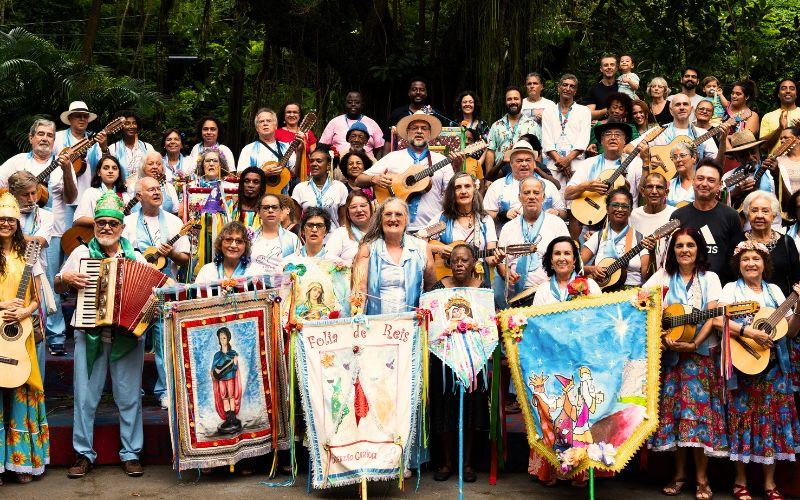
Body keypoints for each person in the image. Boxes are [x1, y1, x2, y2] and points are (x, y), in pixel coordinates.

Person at [57, 191, 149, 479]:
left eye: (112, 223)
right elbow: (58, 285)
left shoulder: (136, 258)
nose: (106, 228)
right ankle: (83, 454)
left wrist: (147, 314)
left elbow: (153, 294)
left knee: (129, 397)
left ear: (122, 227)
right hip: (90, 334)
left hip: (126, 337)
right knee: (85, 398)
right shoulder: (81, 253)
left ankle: (131, 453)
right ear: (94, 226)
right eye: (101, 223)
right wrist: (65, 278)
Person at [713, 241, 800, 500]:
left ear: (765, 264)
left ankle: (770, 484)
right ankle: (740, 482)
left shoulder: (774, 291)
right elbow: (718, 320)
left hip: (774, 368)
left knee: (772, 423)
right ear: (738, 265)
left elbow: (791, 331)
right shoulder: (730, 290)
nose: (751, 263)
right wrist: (749, 331)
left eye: (757, 259)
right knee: (742, 421)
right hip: (745, 365)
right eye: (745, 259)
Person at [645, 228, 726, 500]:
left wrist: (693, 343)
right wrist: (661, 334)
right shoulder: (663, 277)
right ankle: (679, 476)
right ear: (672, 250)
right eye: (679, 245)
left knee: (699, 418)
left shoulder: (710, 278)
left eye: (690, 245)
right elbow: (642, 303)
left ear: (699, 249)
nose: (685, 250)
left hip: (700, 357)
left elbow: (713, 315)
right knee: (677, 418)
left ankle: (702, 480)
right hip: (671, 358)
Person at [0, 119, 77, 357]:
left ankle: (52, 335)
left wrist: (65, 169)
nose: (45, 138)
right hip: (14, 228)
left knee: (47, 284)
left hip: (52, 228)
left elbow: (72, 195)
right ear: (31, 137)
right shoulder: (17, 161)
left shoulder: (62, 163)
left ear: (55, 141)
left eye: (50, 135)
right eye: (40, 134)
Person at [528, 236, 600, 486]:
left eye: (567, 253)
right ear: (549, 259)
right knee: (553, 416)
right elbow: (536, 327)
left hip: (580, 363)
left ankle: (579, 469)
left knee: (578, 419)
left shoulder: (590, 285)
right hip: (551, 363)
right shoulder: (542, 290)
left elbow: (597, 321)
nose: (562, 258)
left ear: (575, 258)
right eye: (556, 253)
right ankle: (552, 468)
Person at [123, 175, 190, 408]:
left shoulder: (173, 221)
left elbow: (185, 260)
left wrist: (170, 253)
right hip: (136, 288)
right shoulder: (128, 222)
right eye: (150, 189)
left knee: (164, 340)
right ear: (139, 196)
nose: (156, 192)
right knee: (134, 339)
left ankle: (165, 390)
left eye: (158, 188)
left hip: (165, 289)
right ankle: (132, 390)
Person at [0, 192, 48, 486]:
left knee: (21, 394)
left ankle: (22, 463)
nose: (5, 223)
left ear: (18, 223)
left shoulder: (27, 254)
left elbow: (37, 297)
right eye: (1, 218)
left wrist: (24, 311)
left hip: (20, 332)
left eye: (10, 219)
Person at [429, 243, 488, 484]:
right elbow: (432, 322)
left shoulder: (483, 290)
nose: (459, 264)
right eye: (455, 260)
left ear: (474, 263)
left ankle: (467, 463)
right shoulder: (437, 289)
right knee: (444, 408)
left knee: (471, 410)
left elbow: (488, 325)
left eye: (465, 260)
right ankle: (446, 462)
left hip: (473, 361)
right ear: (449, 264)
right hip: (444, 360)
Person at [357, 110, 463, 232]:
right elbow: (359, 180)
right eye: (414, 128)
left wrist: (457, 168)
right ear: (407, 133)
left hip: (432, 228)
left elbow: (453, 194)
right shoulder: (393, 157)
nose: (419, 131)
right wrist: (374, 179)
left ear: (429, 134)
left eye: (424, 128)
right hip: (396, 229)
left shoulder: (442, 160)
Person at [352, 197, 436, 315]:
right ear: (381, 219)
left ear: (406, 219)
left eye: (398, 214)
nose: (393, 219)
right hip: (376, 324)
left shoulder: (422, 247)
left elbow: (431, 289)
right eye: (388, 214)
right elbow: (359, 291)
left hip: (412, 323)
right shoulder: (368, 249)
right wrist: (357, 322)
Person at [497, 176, 569, 305]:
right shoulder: (508, 227)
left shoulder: (557, 223)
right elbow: (501, 261)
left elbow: (568, 256)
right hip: (517, 296)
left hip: (550, 294)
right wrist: (506, 273)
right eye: (526, 193)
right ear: (519, 197)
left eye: (536, 193)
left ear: (543, 196)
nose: (531, 197)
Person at [8, 171, 53, 376]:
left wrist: (11, 232)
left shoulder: (46, 216)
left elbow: (38, 242)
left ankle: (36, 385)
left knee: (36, 334)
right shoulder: (7, 215)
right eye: (26, 195)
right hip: (6, 278)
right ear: (13, 194)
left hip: (34, 278)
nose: (32, 199)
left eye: (34, 193)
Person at [565, 120, 644, 238]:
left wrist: (647, 163)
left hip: (626, 226)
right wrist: (587, 186)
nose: (613, 138)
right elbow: (567, 194)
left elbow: (643, 191)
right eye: (607, 134)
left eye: (618, 134)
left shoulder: (636, 162)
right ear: (601, 141)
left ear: (625, 141)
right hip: (591, 226)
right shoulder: (588, 163)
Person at [671, 162, 744, 284]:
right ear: (693, 181)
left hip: (722, 289)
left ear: (719, 185)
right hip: (684, 288)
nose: (704, 184)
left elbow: (737, 257)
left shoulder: (731, 216)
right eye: (700, 178)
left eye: (711, 180)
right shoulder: (678, 216)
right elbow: (672, 256)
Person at [430, 172, 500, 283]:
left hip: (477, 281)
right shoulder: (442, 219)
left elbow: (489, 258)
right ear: (452, 193)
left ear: (474, 190)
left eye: (467, 186)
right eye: (458, 187)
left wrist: (497, 259)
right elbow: (420, 241)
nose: (463, 191)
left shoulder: (485, 220)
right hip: (447, 281)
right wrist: (440, 249)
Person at [581, 188, 653, 289]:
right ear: (607, 208)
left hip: (632, 294)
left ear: (630, 210)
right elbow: (574, 267)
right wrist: (591, 269)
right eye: (615, 205)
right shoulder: (598, 236)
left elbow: (647, 276)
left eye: (625, 206)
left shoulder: (639, 238)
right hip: (601, 293)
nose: (620, 209)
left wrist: (652, 253)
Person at [484, 140, 565, 229]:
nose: (524, 164)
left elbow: (563, 213)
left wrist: (556, 213)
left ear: (534, 163)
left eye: (528, 160)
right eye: (519, 161)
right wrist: (503, 215)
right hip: (508, 238)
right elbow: (485, 214)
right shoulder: (497, 186)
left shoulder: (548, 185)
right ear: (511, 163)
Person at [742, 190, 800, 296]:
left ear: (773, 216)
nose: (759, 215)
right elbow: (729, 278)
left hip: (783, 309)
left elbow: (796, 281)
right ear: (747, 215)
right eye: (754, 211)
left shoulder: (787, 242)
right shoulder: (737, 241)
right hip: (744, 308)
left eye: (765, 211)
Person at [542, 74, 592, 189]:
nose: (568, 89)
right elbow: (546, 140)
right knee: (554, 198)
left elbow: (583, 140)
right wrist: (561, 162)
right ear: (559, 88)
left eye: (572, 86)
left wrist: (567, 160)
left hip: (576, 164)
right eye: (565, 85)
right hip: (554, 164)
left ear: (575, 91)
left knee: (574, 200)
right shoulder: (548, 111)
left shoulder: (584, 111)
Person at [647, 93, 722, 168]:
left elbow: (716, 164)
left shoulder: (702, 133)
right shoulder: (659, 131)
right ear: (671, 110)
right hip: (665, 177)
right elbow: (637, 149)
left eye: (685, 104)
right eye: (677, 104)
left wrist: (723, 142)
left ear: (691, 109)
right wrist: (648, 160)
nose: (682, 107)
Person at [485, 86, 541, 180]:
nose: (513, 102)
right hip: (500, 175)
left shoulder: (533, 125)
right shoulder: (496, 125)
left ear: (521, 101)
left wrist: (537, 177)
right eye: (509, 99)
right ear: (505, 102)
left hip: (526, 175)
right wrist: (488, 179)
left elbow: (538, 153)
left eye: (516, 99)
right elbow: (490, 152)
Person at [54, 101, 101, 213]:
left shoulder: (94, 141)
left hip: (87, 196)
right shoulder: (57, 138)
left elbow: (103, 166)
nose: (82, 119)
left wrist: (104, 148)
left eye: (85, 116)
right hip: (62, 198)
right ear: (70, 118)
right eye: (78, 116)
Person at [237, 108, 302, 184]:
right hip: (257, 194)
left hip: (281, 194)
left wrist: (299, 152)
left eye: (269, 121)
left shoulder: (286, 147)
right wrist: (262, 173)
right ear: (257, 128)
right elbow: (239, 175)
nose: (265, 123)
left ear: (276, 126)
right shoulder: (248, 149)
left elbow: (296, 173)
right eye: (261, 121)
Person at [292, 148, 349, 229]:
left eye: (319, 161)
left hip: (333, 237)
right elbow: (295, 220)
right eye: (311, 161)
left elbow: (343, 219)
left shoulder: (339, 187)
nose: (314, 164)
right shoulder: (300, 188)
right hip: (307, 238)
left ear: (328, 165)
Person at [630, 172, 675, 271]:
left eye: (659, 187)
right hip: (638, 276)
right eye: (650, 187)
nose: (654, 191)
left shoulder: (675, 214)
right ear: (642, 191)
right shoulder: (633, 215)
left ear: (666, 192)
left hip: (668, 273)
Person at [724, 130, 776, 214]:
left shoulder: (772, 171)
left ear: (759, 151)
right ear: (736, 158)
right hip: (740, 225)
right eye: (743, 155)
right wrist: (734, 193)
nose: (750, 157)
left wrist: (777, 175)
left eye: (753, 152)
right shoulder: (728, 177)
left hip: (772, 224)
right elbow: (719, 205)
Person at [249, 193, 301, 275]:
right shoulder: (249, 238)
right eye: (266, 208)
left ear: (281, 211)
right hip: (253, 285)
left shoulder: (292, 239)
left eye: (275, 207)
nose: (270, 210)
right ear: (259, 212)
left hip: (283, 286)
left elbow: (298, 267)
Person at [73, 155, 131, 227]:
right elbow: (77, 220)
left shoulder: (125, 196)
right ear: (98, 172)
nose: (110, 171)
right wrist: (101, 222)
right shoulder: (91, 192)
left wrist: (128, 215)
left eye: (114, 168)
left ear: (118, 173)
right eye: (106, 168)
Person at [319, 91, 383, 155]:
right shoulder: (334, 122)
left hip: (367, 163)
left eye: (357, 102)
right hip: (339, 163)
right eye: (349, 102)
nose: (353, 104)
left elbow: (380, 149)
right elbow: (322, 147)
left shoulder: (372, 123)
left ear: (362, 104)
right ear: (345, 104)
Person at [96, 110, 154, 178]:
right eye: (127, 123)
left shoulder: (147, 147)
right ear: (120, 127)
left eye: (134, 123)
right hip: (121, 188)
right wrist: (104, 148)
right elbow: (106, 168)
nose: (131, 126)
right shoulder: (113, 148)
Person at [324, 189, 372, 263]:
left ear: (371, 208)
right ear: (347, 212)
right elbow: (328, 258)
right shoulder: (341, 233)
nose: (359, 210)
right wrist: (352, 264)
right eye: (353, 207)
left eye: (363, 205)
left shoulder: (380, 232)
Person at [210, 327, 242, 434]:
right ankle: (228, 419)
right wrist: (214, 373)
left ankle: (233, 418)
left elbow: (234, 368)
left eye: (224, 338)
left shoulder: (233, 353)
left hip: (231, 378)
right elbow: (214, 368)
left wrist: (235, 363)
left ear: (228, 339)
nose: (222, 340)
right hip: (221, 379)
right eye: (221, 338)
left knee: (231, 396)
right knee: (224, 397)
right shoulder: (217, 355)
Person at [760, 78, 800, 154]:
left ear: (796, 94)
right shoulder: (768, 117)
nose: (788, 91)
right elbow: (763, 147)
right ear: (778, 94)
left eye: (792, 89)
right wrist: (780, 129)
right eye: (783, 88)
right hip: (775, 164)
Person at [584, 55, 620, 120]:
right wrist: (606, 110)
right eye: (606, 65)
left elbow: (636, 105)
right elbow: (589, 114)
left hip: (622, 127)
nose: (609, 67)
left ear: (616, 68)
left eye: (612, 65)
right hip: (602, 128)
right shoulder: (594, 89)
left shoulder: (624, 86)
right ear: (601, 69)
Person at [666, 142, 698, 207]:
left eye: (682, 155)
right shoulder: (669, 185)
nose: (678, 160)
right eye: (675, 157)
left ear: (694, 158)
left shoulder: (703, 183)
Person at [773, 126, 800, 203]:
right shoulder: (777, 160)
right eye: (781, 138)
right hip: (786, 205)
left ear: (798, 138)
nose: (782, 140)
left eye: (785, 137)